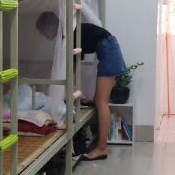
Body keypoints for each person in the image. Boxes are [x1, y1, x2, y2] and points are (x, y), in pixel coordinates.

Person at [36, 10, 126, 161]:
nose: (43, 34)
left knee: (101, 102)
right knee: (99, 101)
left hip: (109, 50)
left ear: (51, 26)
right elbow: (75, 62)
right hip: (109, 49)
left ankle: (102, 148)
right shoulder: (71, 32)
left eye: (42, 30)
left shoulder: (69, 35)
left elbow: (72, 65)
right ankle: (101, 144)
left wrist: (61, 85)